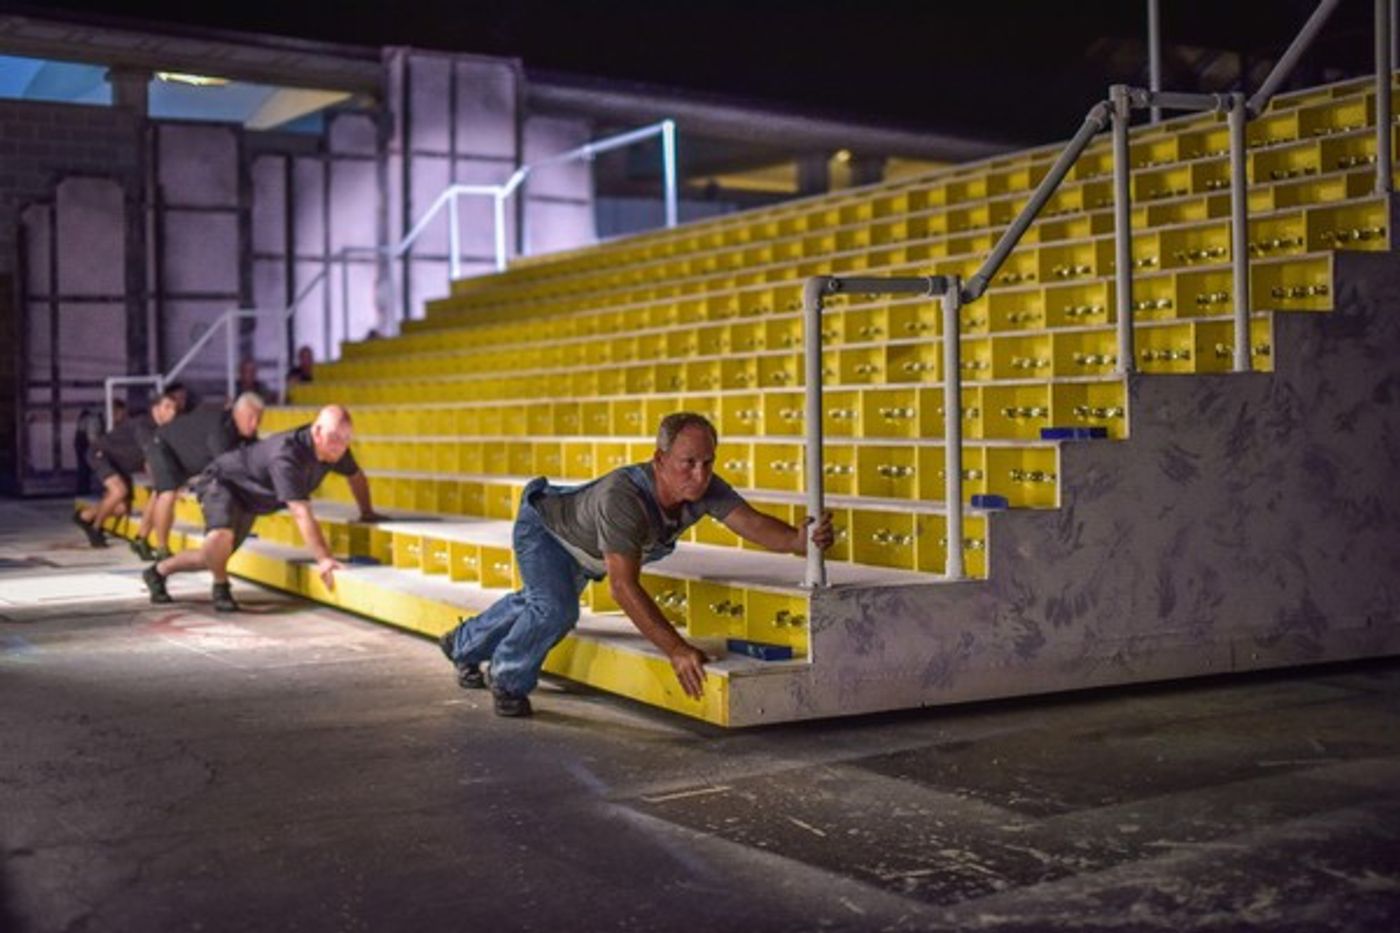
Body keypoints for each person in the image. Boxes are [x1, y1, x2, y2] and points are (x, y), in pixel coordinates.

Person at [438, 412, 835, 718]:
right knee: (554, 608)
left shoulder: (704, 487)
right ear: (659, 459)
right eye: (689, 462)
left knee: (538, 603)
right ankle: (507, 680)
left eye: (708, 463)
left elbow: (749, 522)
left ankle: (462, 643)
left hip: (589, 547)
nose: (700, 475)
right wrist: (676, 649)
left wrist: (797, 541)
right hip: (548, 534)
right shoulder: (623, 497)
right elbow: (623, 587)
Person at [142, 405, 384, 612]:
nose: (339, 446)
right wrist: (323, 559)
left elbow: (356, 476)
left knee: (212, 556)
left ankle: (158, 571)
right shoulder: (288, 455)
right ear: (317, 431)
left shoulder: (336, 448)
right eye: (334, 438)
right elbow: (300, 512)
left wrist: (367, 511)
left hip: (251, 499)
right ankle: (221, 587)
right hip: (224, 481)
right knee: (220, 538)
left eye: (346, 439)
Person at [133, 392, 265, 562]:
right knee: (168, 492)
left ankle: (141, 539)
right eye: (251, 418)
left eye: (259, 419)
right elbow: (226, 467)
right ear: (237, 413)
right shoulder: (220, 429)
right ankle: (162, 549)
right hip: (163, 445)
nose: (255, 424)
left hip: (185, 455)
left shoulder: (246, 431)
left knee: (160, 493)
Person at [74, 393, 178, 548]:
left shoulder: (161, 430)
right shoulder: (144, 426)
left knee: (122, 508)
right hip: (102, 455)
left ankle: (84, 516)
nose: (172, 412)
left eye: (174, 408)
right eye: (167, 407)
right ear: (156, 408)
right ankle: (96, 528)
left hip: (121, 464)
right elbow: (150, 458)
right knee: (118, 491)